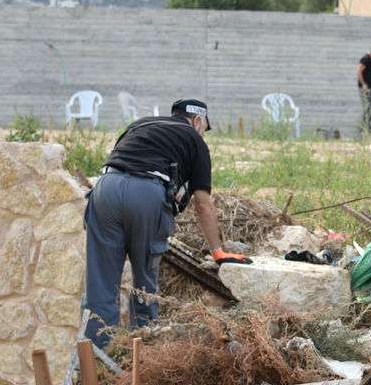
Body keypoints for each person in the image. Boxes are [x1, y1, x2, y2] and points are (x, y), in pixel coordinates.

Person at [81, 98, 249, 349]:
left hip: (105, 189)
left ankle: (94, 367)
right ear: (197, 121)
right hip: (146, 195)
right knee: (144, 286)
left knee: (100, 287)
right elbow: (203, 203)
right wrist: (218, 251)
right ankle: (139, 361)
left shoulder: (140, 125)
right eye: (204, 128)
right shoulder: (195, 140)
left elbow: (123, 161)